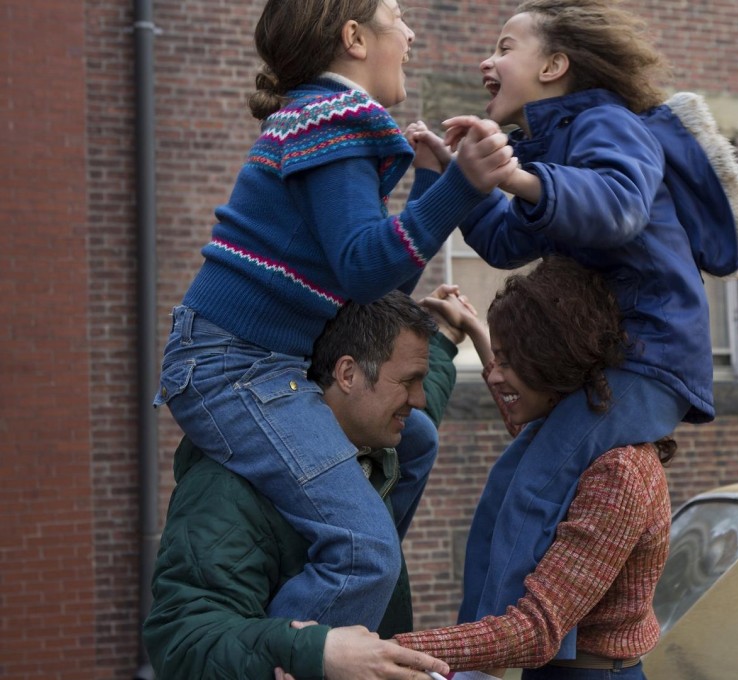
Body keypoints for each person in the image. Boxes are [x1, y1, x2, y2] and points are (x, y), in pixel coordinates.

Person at [407, 0, 738, 662]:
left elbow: (620, 207)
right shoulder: (551, 147)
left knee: (540, 483)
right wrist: (453, 178)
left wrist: (516, 174)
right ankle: (496, 643)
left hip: (652, 357)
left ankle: (492, 657)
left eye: (505, 45)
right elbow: (507, 242)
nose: (488, 60)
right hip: (616, 360)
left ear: (554, 64)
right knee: (505, 488)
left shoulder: (612, 125)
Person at [152, 0, 518, 632]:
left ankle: (341, 581)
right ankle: (313, 636)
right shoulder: (330, 122)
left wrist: (432, 185)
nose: (410, 33)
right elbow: (362, 267)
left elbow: (372, 290)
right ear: (354, 38)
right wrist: (463, 184)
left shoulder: (326, 125)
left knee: (416, 441)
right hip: (229, 369)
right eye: (397, 17)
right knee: (365, 551)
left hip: (265, 363)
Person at [143, 289, 468, 680]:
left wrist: (447, 342)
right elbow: (182, 645)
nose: (417, 399)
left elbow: (424, 412)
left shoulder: (375, 445)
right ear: (347, 374)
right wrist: (315, 652)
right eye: (409, 381)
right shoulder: (226, 488)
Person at [392, 256, 674, 680]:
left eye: (510, 361)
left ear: (550, 362)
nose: (496, 375)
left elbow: (538, 627)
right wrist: (471, 327)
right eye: (496, 360)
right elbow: (516, 410)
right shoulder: (569, 434)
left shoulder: (619, 472)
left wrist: (388, 649)